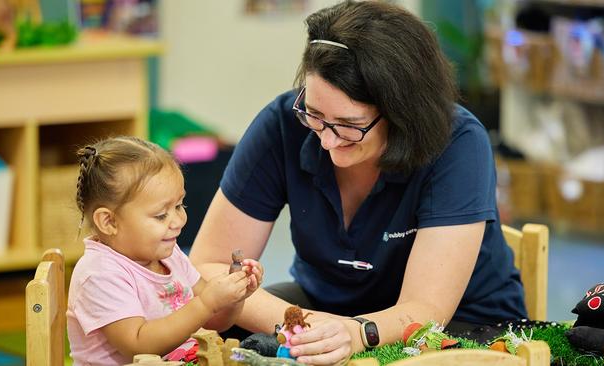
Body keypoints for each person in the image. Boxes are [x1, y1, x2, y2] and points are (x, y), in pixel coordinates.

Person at [190, 1, 527, 365]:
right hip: (326, 306)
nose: (327, 141)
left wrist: (353, 332)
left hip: (457, 324)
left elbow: (427, 307)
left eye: (350, 125)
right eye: (315, 114)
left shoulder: (457, 142)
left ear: (402, 113)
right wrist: (311, 327)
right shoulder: (283, 125)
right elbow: (209, 266)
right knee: (209, 335)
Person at [66, 136, 263, 365]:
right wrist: (207, 303)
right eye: (161, 215)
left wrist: (233, 298)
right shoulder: (99, 274)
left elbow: (214, 320)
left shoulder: (169, 255)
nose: (179, 220)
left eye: (179, 206)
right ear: (109, 222)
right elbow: (139, 346)